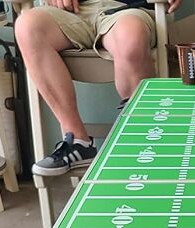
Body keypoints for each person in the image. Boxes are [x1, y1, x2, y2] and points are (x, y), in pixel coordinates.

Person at [16, 0, 181, 176]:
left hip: (128, 10)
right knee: (27, 25)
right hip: (73, 11)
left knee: (131, 36)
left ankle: (141, 139)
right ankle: (78, 142)